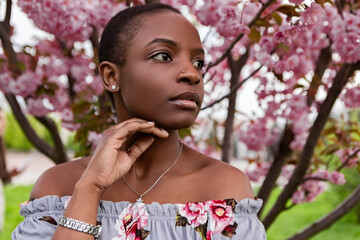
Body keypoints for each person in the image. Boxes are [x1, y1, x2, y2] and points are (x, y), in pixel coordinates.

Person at [12, 3, 266, 240]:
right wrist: (89, 189)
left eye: (198, 62)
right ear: (111, 75)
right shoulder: (57, 187)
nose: (192, 74)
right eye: (164, 56)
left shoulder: (223, 188)